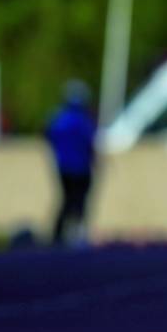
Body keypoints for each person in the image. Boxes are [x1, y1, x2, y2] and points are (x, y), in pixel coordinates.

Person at [45, 80, 98, 246]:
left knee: (66, 201)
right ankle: (74, 236)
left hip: (64, 167)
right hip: (80, 168)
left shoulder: (59, 118)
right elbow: (90, 143)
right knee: (78, 202)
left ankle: (58, 236)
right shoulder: (83, 120)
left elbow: (49, 137)